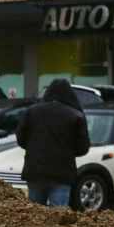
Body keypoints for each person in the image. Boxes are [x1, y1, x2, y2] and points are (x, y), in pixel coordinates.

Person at [16, 79, 91, 207]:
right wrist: (67, 152)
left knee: (35, 215)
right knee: (58, 216)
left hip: (35, 169)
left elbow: (21, 138)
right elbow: (83, 148)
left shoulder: (32, 111)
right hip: (62, 172)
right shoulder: (76, 115)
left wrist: (34, 149)